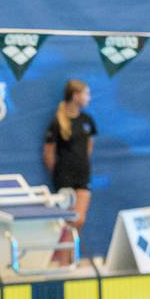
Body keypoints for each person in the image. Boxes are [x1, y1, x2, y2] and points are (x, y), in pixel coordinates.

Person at [41, 78, 95, 264]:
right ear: (75, 96)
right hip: (64, 176)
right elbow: (48, 153)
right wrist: (58, 173)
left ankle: (70, 258)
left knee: (78, 219)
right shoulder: (57, 122)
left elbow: (88, 147)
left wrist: (82, 165)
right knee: (67, 220)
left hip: (82, 175)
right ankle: (65, 262)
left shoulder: (87, 121)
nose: (89, 98)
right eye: (86, 94)